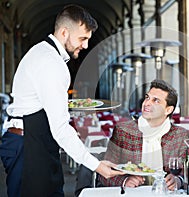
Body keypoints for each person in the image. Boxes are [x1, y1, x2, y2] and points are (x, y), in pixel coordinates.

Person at [0, 5, 123, 197]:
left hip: (31, 141)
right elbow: (60, 128)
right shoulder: (52, 63)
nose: (85, 46)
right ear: (64, 32)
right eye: (82, 39)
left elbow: (41, 102)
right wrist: (97, 166)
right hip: (29, 147)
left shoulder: (42, 52)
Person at [98, 79, 189, 190]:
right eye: (147, 97)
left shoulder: (180, 135)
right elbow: (104, 173)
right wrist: (125, 181)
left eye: (156, 100)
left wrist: (178, 181)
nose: (147, 103)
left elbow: (187, 173)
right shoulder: (123, 131)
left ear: (168, 110)